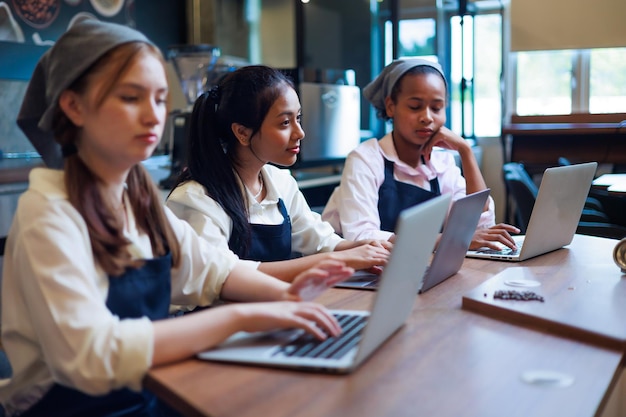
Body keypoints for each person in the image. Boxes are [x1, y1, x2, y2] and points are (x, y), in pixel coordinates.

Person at [0, 20, 354, 417]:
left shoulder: (136, 197)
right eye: (132, 97)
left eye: (159, 98)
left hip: (146, 390)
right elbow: (91, 357)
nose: (154, 117)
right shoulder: (49, 215)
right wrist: (241, 316)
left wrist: (286, 298)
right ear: (74, 106)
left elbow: (213, 270)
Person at [165, 65, 392, 282]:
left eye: (298, 118)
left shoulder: (280, 182)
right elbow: (224, 277)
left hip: (272, 311)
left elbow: (320, 240)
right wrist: (334, 259)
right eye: (285, 122)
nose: (300, 133)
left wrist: (368, 248)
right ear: (242, 133)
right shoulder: (195, 200)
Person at [322, 58, 519, 250]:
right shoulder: (365, 159)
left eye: (436, 108)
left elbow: (477, 228)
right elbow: (362, 236)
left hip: (415, 269)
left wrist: (465, 152)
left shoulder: (442, 163)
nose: (427, 117)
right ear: (391, 106)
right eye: (415, 107)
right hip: (352, 276)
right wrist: (448, 240)